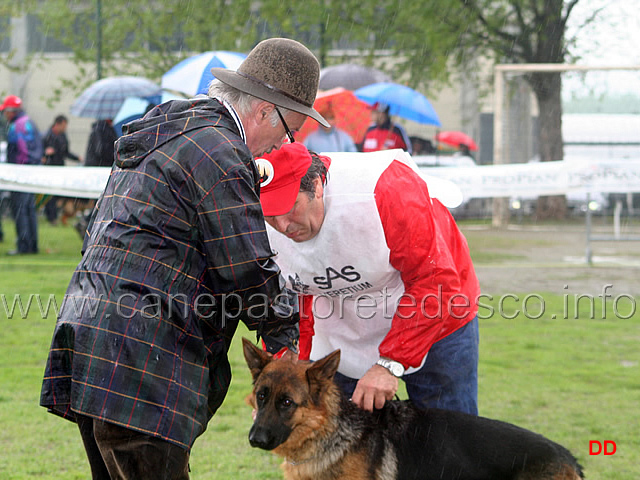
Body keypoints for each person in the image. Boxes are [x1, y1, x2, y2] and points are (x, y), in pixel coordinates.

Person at [40, 37, 328, 480]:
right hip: (142, 357)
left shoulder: (174, 132)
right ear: (265, 111)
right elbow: (246, 268)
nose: (278, 146)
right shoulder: (219, 151)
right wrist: (283, 334)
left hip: (94, 339)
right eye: (289, 131)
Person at [258, 143, 480, 415]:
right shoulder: (253, 220)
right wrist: (285, 351)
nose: (283, 226)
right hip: (344, 320)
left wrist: (390, 363)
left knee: (448, 436)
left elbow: (435, 282)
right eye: (270, 215)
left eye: (290, 207)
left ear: (316, 186)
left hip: (436, 316)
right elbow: (273, 290)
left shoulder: (384, 190)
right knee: (347, 445)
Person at [1, 94, 42, 255]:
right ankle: (33, 245)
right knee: (30, 209)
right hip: (31, 171)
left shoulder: (16, 126)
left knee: (20, 210)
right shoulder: (29, 122)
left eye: (5, 111)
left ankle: (23, 246)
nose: (4, 114)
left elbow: (23, 151)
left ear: (12, 111)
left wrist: (17, 170)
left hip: (20, 172)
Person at [42, 114, 82, 224]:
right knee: (50, 195)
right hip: (49, 169)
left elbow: (65, 152)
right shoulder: (46, 136)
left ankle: (56, 215)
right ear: (57, 124)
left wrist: (77, 158)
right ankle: (52, 217)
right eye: (64, 126)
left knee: (58, 194)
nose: (65, 128)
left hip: (60, 169)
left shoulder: (63, 136)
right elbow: (40, 153)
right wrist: (45, 154)